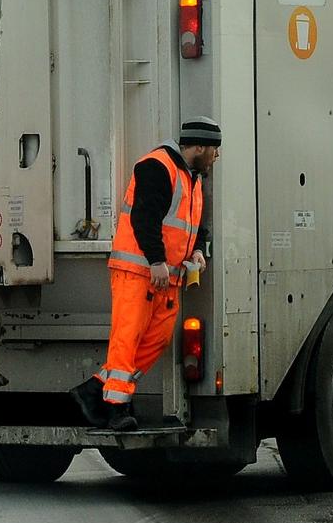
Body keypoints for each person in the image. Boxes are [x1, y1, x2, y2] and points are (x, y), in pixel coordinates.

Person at [70, 118, 220, 431]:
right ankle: (116, 408)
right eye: (214, 150)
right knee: (127, 338)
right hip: (138, 271)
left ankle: (96, 389)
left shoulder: (193, 178)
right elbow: (144, 218)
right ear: (201, 146)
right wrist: (156, 261)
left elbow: (193, 224)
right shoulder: (156, 167)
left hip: (165, 278)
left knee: (156, 339)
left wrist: (197, 250)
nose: (216, 157)